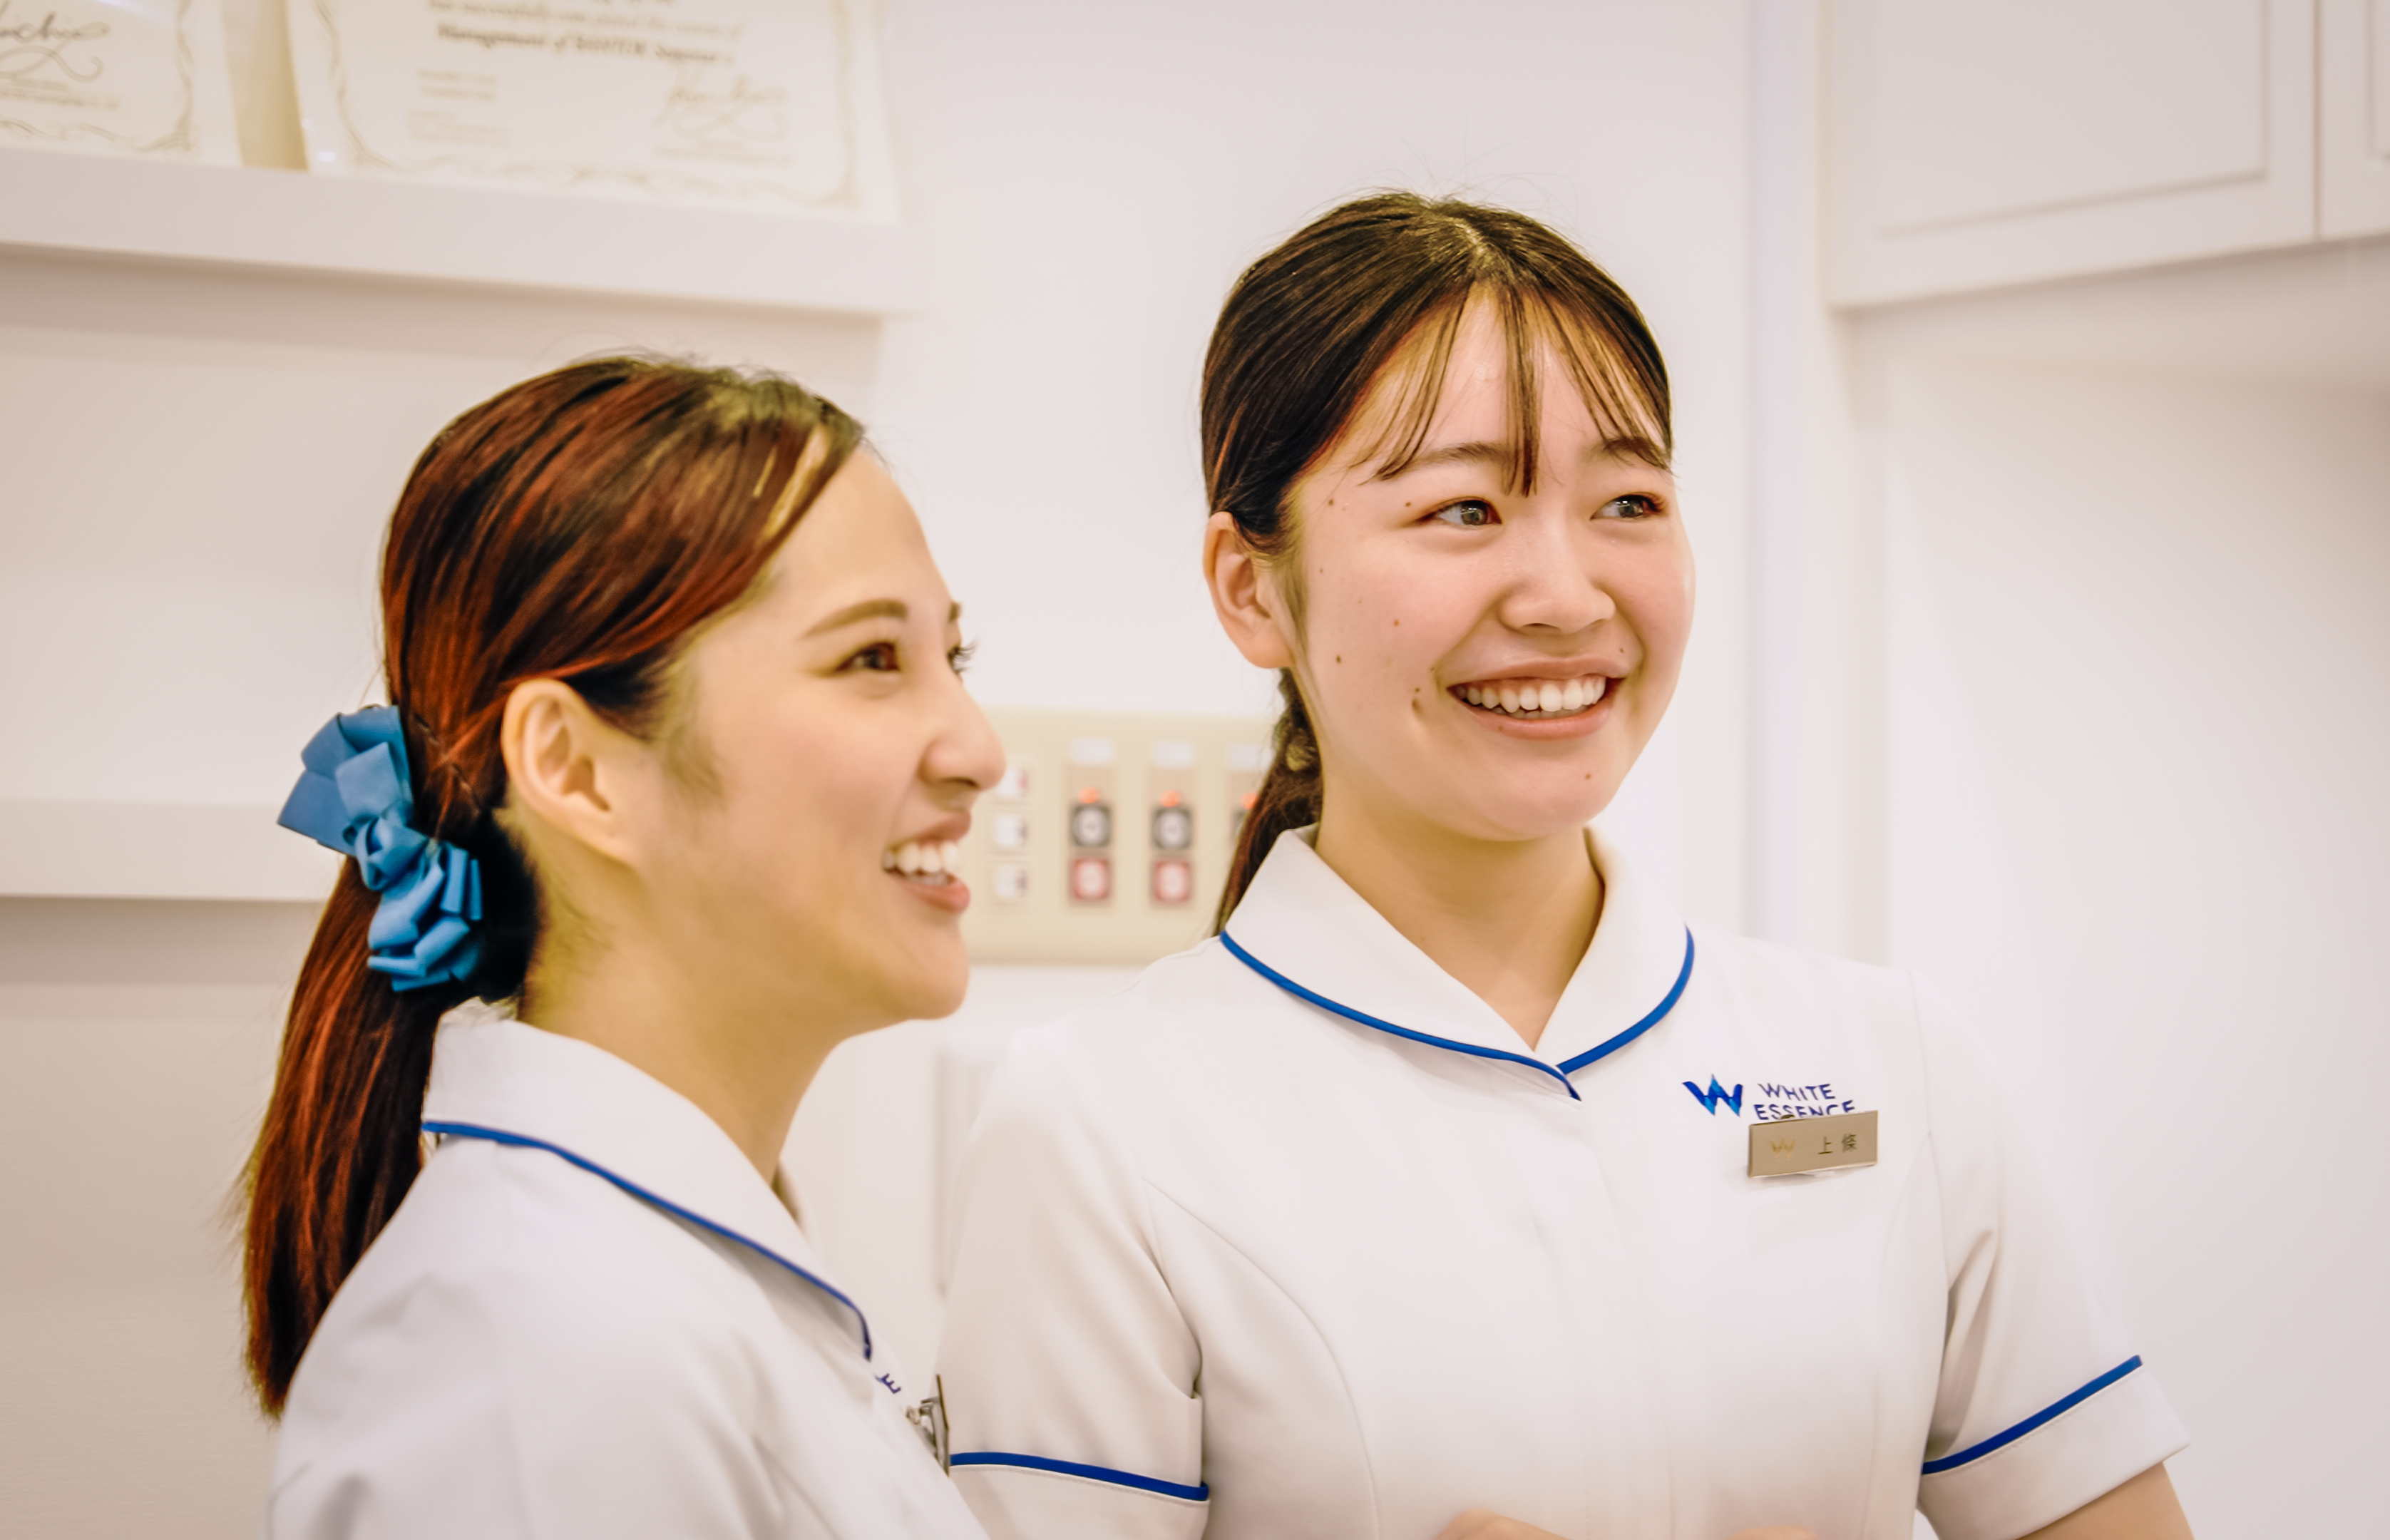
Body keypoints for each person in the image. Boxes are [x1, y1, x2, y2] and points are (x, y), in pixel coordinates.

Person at [933, 195, 2197, 1540]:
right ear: (1252, 588)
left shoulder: (1889, 1062)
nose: (1567, 595)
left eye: (1628, 502)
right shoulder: (1099, 1127)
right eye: (1464, 507)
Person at [242, 357, 1002, 1538]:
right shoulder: (537, 1347)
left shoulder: (647, 1283)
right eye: (871, 660)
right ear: (577, 769)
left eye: (954, 659)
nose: (976, 750)